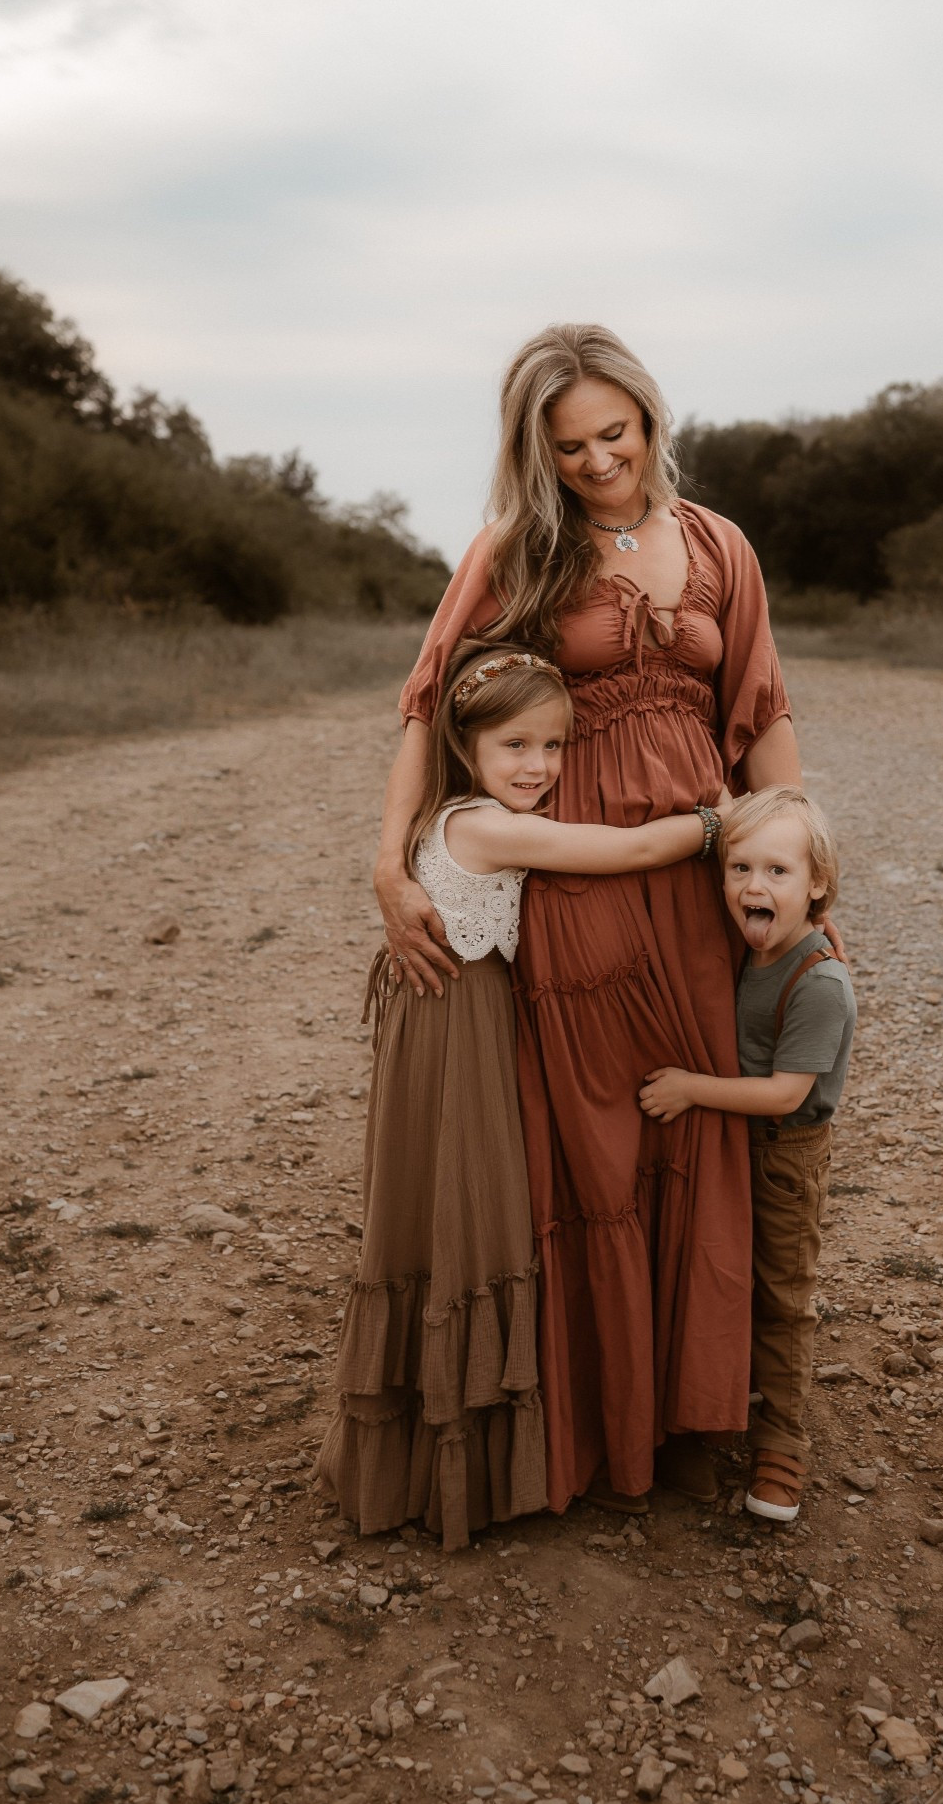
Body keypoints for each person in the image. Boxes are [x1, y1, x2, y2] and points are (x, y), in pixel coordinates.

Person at [374, 323, 808, 1516]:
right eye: (569, 447)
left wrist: (804, 859)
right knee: (597, 1140)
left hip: (705, 880)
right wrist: (388, 862)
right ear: (538, 452)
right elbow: (427, 700)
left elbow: (760, 709)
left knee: (702, 1121)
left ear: (651, 418)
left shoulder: (722, 545)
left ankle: (694, 1406)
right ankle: (594, 1421)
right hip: (578, 887)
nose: (598, 461)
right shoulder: (518, 548)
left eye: (613, 432)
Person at [319, 640, 727, 1550]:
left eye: (554, 746)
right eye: (516, 746)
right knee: (464, 1201)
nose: (539, 767)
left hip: (453, 1018)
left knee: (445, 1195)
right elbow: (621, 848)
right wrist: (713, 825)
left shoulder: (453, 813)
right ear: (467, 748)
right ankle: (445, 1450)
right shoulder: (481, 825)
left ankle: (454, 1440)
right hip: (454, 1024)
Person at [639, 786, 856, 1524]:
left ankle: (783, 1443)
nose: (753, 887)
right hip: (733, 1146)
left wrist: (689, 1090)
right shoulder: (738, 948)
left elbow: (786, 1094)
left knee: (782, 1296)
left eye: (776, 872)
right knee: (728, 1274)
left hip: (782, 1156)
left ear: (817, 883)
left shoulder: (819, 982)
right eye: (738, 869)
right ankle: (738, 1390)